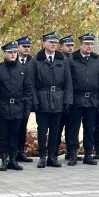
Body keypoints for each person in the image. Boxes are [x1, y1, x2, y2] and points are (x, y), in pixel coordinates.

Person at [0, 41, 34, 171]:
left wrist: (27, 108)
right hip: (3, 107)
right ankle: (3, 160)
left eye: (14, 52)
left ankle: (13, 160)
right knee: (4, 135)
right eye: (10, 52)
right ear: (5, 53)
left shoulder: (24, 70)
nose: (13, 55)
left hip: (18, 107)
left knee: (15, 135)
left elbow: (28, 91)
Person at [29, 31, 72, 168]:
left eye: (55, 42)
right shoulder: (36, 60)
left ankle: (52, 156)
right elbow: (31, 83)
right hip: (42, 99)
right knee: (42, 131)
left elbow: (68, 82)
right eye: (51, 42)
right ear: (44, 44)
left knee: (55, 131)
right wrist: (34, 101)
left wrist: (67, 101)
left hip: (58, 99)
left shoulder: (62, 60)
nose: (54, 44)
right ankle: (42, 156)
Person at [67, 33, 99, 165]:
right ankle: (73, 154)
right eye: (87, 44)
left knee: (90, 128)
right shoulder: (72, 60)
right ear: (81, 45)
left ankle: (88, 153)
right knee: (73, 128)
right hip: (77, 99)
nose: (89, 46)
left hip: (92, 99)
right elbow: (68, 82)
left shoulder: (97, 60)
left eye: (91, 44)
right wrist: (68, 100)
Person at [15, 36, 35, 162]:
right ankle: (11, 152)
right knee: (12, 128)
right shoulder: (12, 59)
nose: (27, 49)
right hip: (14, 100)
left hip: (26, 100)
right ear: (18, 47)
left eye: (28, 47)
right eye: (24, 47)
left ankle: (20, 151)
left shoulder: (33, 61)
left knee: (23, 128)